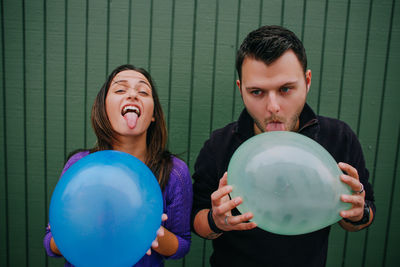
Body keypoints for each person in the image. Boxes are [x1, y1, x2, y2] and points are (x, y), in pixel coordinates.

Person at [191, 25, 376, 267]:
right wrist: (216, 221)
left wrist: (358, 211)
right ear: (240, 90)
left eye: (285, 89)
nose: (273, 107)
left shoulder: (338, 138)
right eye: (257, 92)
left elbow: (364, 214)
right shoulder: (219, 145)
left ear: (307, 81)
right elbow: (197, 221)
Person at [44, 64, 193, 266]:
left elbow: (181, 246)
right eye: (120, 89)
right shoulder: (79, 166)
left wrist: (153, 232)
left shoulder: (175, 172)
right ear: (103, 108)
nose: (132, 95)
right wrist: (79, 228)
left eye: (143, 91)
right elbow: (49, 243)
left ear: (153, 115)